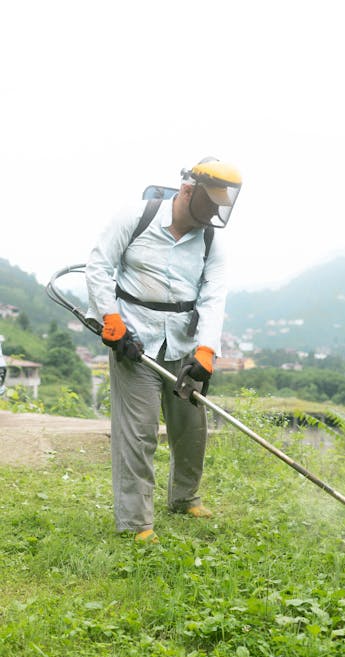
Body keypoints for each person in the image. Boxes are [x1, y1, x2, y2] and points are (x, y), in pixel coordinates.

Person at [85, 157, 242, 543]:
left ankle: (185, 497)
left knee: (191, 428)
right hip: (134, 342)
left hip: (184, 344)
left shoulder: (210, 241)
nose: (213, 213)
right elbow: (99, 266)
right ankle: (137, 523)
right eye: (209, 203)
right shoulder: (135, 218)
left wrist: (207, 351)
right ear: (188, 190)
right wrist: (111, 318)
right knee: (138, 434)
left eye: (220, 206)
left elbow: (213, 298)